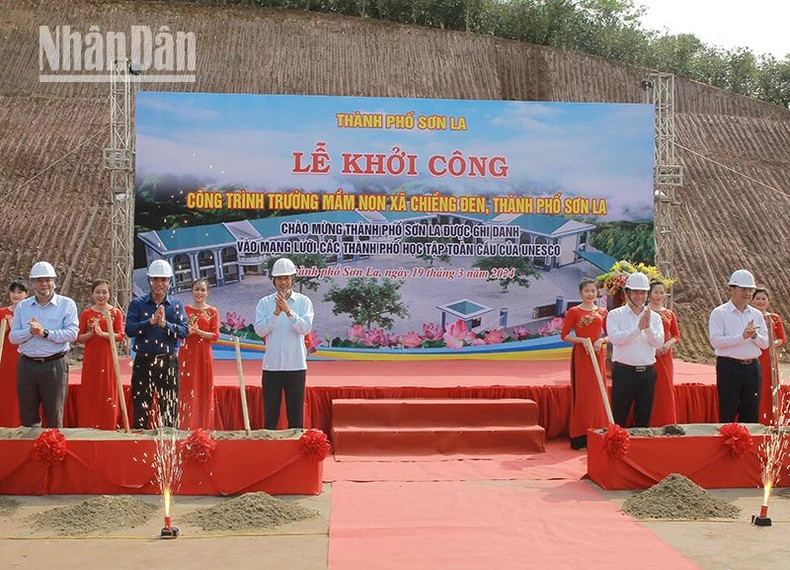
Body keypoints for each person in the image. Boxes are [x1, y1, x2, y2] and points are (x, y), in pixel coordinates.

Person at [8, 262, 79, 428]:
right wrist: (30, 332)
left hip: (54, 365)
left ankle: (54, 451)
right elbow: (13, 337)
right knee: (28, 416)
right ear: (33, 283)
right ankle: (31, 451)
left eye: (47, 280)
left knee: (54, 415)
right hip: (27, 365)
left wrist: (45, 333)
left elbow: (72, 333)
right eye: (39, 280)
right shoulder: (23, 307)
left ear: (54, 282)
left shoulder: (66, 304)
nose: (44, 284)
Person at [125, 260, 188, 429]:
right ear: (149, 281)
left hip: (168, 361)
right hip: (143, 362)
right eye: (156, 279)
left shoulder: (176, 305)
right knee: (140, 406)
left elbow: (184, 331)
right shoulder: (137, 304)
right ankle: (139, 445)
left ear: (169, 282)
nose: (160, 284)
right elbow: (129, 330)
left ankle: (168, 444)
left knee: (169, 408)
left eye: (164, 280)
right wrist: (150, 321)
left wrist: (165, 325)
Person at [254, 257, 314, 430]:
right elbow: (260, 331)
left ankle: (295, 449)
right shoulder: (264, 303)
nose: (283, 282)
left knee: (295, 414)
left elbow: (304, 328)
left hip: (296, 365)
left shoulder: (304, 302)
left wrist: (288, 312)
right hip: (271, 366)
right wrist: (275, 313)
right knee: (270, 413)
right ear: (273, 280)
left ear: (293, 279)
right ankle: (270, 451)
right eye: (279, 278)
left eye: (287, 277)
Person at [708, 269, 768, 423]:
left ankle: (749, 445)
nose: (747, 293)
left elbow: (765, 344)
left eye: (750, 290)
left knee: (751, 411)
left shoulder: (756, 314)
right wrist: (741, 337)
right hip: (729, 367)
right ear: (732, 289)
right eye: (743, 289)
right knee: (728, 409)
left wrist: (753, 335)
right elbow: (716, 342)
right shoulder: (719, 313)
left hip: (752, 368)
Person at [606, 272, 664, 427]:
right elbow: (616, 339)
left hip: (647, 374)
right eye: (636, 292)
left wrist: (648, 327)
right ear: (627, 293)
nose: (640, 296)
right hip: (623, 373)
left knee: (644, 417)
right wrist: (638, 329)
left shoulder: (655, 317)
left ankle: (641, 449)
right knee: (619, 415)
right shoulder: (615, 315)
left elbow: (659, 343)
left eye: (644, 292)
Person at [560, 278, 609, 449]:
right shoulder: (574, 311)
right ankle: (580, 436)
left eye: (593, 291)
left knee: (597, 395)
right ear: (580, 293)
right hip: (582, 356)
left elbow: (610, 335)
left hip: (597, 354)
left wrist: (601, 340)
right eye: (587, 291)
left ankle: (598, 433)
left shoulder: (603, 312)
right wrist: (582, 340)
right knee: (583, 394)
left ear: (597, 293)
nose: (590, 294)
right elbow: (564, 335)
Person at [77, 279, 125, 430]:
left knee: (108, 388)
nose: (101, 295)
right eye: (97, 292)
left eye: (104, 292)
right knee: (91, 390)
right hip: (92, 358)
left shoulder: (115, 313)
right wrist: (92, 333)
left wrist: (103, 334)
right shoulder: (87, 313)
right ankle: (88, 424)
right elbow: (79, 338)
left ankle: (108, 424)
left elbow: (120, 336)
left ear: (110, 294)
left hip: (108, 357)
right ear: (92, 294)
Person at [178, 278, 219, 430]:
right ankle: (186, 424)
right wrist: (188, 332)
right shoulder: (185, 310)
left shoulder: (212, 311)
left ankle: (204, 425)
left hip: (204, 354)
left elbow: (215, 335)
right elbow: (180, 333)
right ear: (191, 291)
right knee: (187, 386)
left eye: (202, 290)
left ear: (208, 292)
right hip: (187, 353)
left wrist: (199, 332)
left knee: (204, 386)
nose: (199, 293)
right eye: (196, 289)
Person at [749, 287, 786, 425]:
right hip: (754, 355)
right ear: (752, 301)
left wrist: (772, 343)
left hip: (769, 358)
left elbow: (782, 338)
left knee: (769, 385)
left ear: (768, 302)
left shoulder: (774, 318)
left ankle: (771, 418)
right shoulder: (749, 317)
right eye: (757, 298)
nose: (760, 301)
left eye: (763, 299)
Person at [647, 280, 680, 427]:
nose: (659, 296)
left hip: (665, 356)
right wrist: (653, 348)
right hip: (648, 356)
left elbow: (676, 335)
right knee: (650, 389)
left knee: (665, 388)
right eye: (656, 292)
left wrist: (667, 344)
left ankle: (667, 422)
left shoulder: (669, 314)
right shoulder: (644, 313)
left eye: (662, 293)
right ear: (649, 294)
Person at [0, 279, 28, 427]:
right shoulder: (3, 313)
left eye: (20, 292)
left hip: (24, 356)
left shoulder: (29, 313)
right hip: (6, 358)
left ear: (26, 294)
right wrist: (4, 329)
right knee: (6, 390)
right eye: (13, 291)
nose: (16, 295)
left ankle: (22, 424)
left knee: (23, 391)